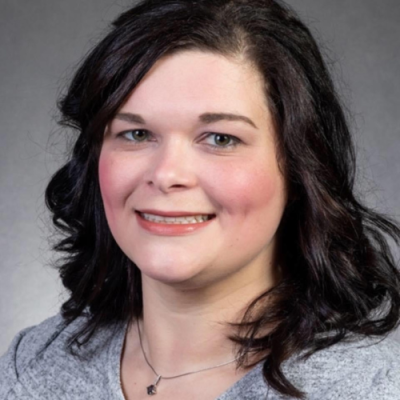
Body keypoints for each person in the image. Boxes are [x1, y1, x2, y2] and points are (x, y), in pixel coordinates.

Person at [1, 0, 400, 399]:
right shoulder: (33, 369)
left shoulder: (374, 387)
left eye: (221, 138)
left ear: (300, 169)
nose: (167, 174)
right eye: (137, 134)